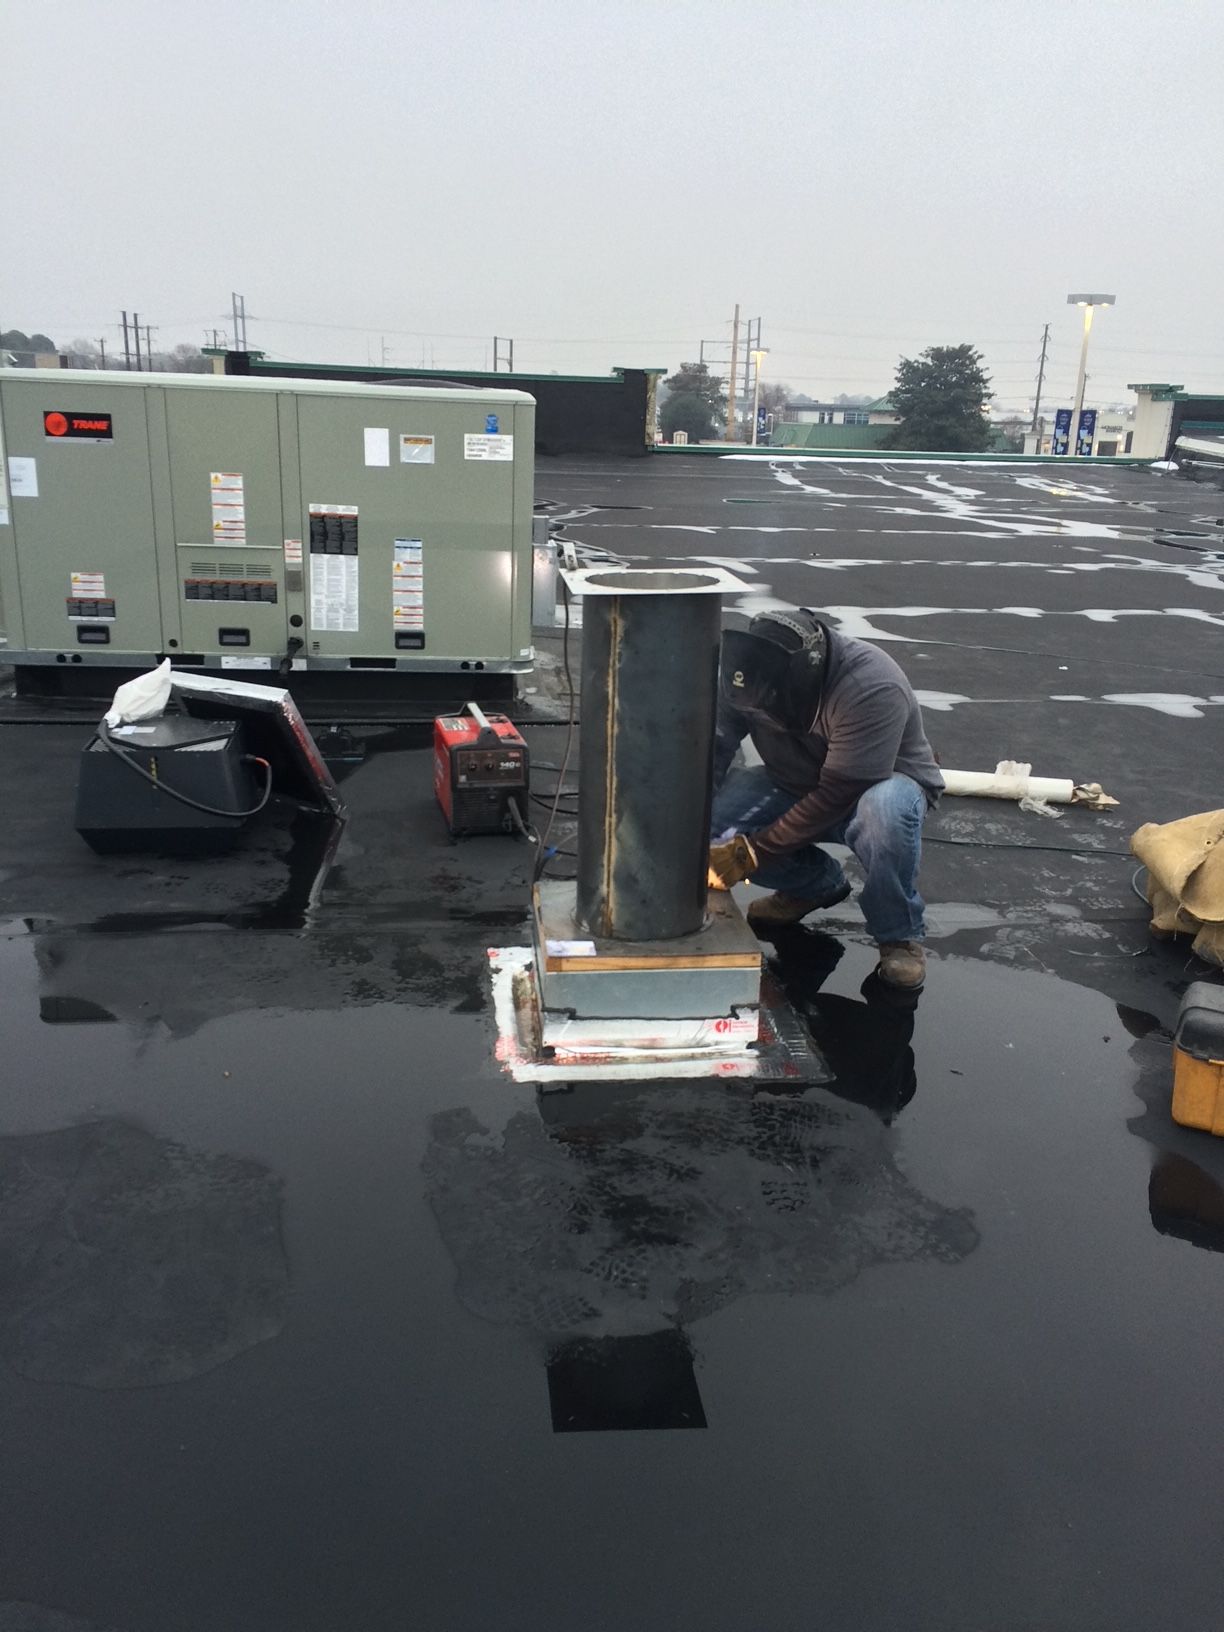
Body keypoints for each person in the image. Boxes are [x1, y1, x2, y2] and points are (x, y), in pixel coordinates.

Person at [706, 608, 943, 989]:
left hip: (872, 787)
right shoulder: (743, 673)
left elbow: (839, 791)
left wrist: (753, 854)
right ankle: (814, 885)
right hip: (793, 781)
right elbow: (714, 747)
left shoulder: (870, 685)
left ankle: (898, 936)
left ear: (803, 679)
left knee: (886, 813)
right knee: (714, 828)